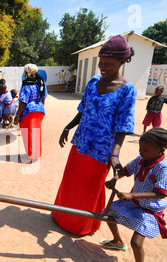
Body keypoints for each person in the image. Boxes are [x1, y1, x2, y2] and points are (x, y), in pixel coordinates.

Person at [52, 35, 137, 235]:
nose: (102, 66)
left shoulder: (127, 90)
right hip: (81, 142)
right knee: (71, 182)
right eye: (101, 62)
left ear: (121, 62)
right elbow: (83, 110)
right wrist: (68, 126)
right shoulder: (93, 82)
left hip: (101, 150)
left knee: (90, 188)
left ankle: (81, 226)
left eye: (108, 63)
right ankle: (61, 216)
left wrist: (114, 154)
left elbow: (123, 125)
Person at [101, 127, 167, 262]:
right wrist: (115, 178)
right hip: (134, 203)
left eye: (146, 150)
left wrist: (132, 195)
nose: (141, 152)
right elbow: (126, 171)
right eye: (140, 148)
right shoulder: (141, 159)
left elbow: (159, 194)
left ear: (160, 150)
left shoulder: (164, 169)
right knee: (108, 212)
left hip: (149, 210)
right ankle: (118, 241)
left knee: (136, 243)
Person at [14, 64, 47, 160]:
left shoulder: (26, 85)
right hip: (40, 110)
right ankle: (37, 154)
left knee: (29, 133)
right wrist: (41, 108)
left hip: (29, 112)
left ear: (26, 73)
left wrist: (17, 115)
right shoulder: (41, 82)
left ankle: (32, 154)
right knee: (37, 132)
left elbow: (23, 103)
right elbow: (43, 98)